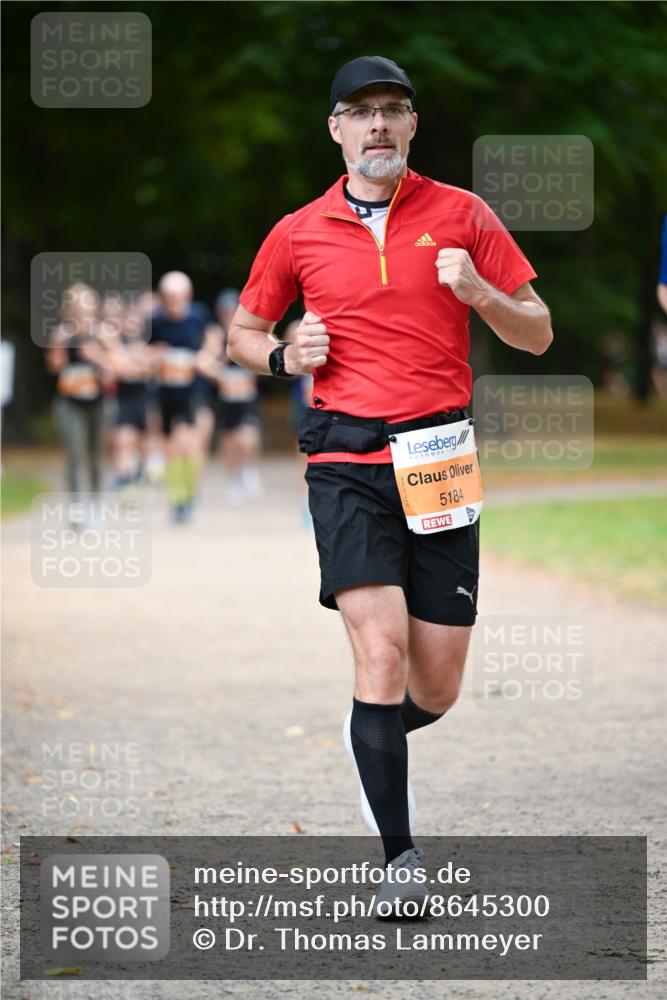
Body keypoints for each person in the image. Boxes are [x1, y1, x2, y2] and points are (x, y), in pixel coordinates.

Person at [228, 55, 552, 917]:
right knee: (381, 652)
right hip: (345, 460)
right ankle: (399, 858)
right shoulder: (296, 231)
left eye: (392, 111)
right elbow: (242, 331)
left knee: (435, 685)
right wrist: (277, 355)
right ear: (334, 128)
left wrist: (478, 290)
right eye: (359, 112)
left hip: (439, 457)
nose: (377, 125)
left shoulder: (463, 215)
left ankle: (370, 736)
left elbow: (537, 335)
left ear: (412, 126)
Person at [149, 271, 213, 522]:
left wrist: (204, 357)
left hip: (193, 391)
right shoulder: (156, 322)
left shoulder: (198, 317)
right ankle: (177, 497)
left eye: (178, 295)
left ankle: (190, 493)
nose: (174, 301)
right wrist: (154, 355)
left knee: (190, 442)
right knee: (171, 448)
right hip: (166, 392)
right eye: (169, 296)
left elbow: (214, 340)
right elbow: (144, 353)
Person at [45, 283, 109, 503]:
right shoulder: (61, 334)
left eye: (87, 304)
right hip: (70, 402)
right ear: (69, 308)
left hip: (99, 402)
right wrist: (59, 356)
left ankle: (95, 503)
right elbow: (54, 367)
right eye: (78, 305)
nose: (82, 310)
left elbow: (117, 366)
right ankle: (76, 507)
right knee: (74, 455)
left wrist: (97, 357)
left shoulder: (102, 333)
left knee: (97, 456)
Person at [214, 288, 263, 503]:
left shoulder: (248, 332)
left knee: (248, 437)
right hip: (225, 398)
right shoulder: (215, 335)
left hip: (246, 396)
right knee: (230, 441)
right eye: (224, 312)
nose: (228, 315)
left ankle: (249, 469)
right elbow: (207, 362)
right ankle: (233, 478)